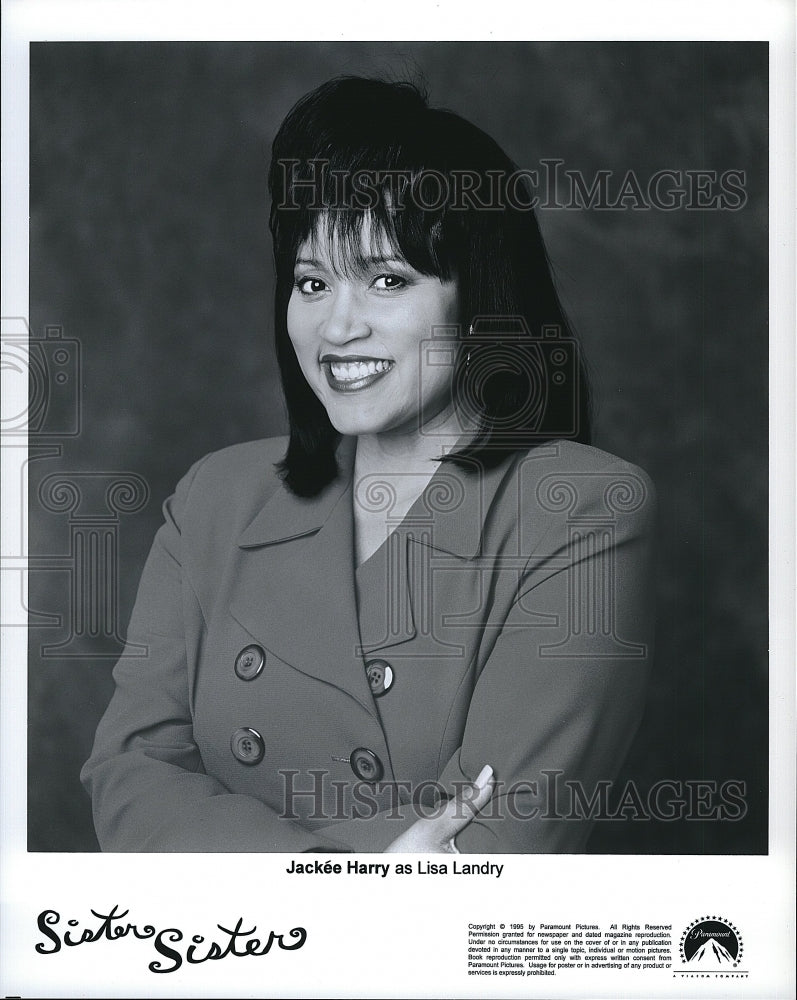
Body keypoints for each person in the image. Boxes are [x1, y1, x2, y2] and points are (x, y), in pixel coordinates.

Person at [81, 76, 656, 853]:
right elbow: (127, 777)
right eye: (311, 282)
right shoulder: (217, 496)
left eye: (388, 279)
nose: (337, 326)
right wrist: (340, 875)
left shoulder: (577, 505)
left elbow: (499, 838)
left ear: (479, 298)